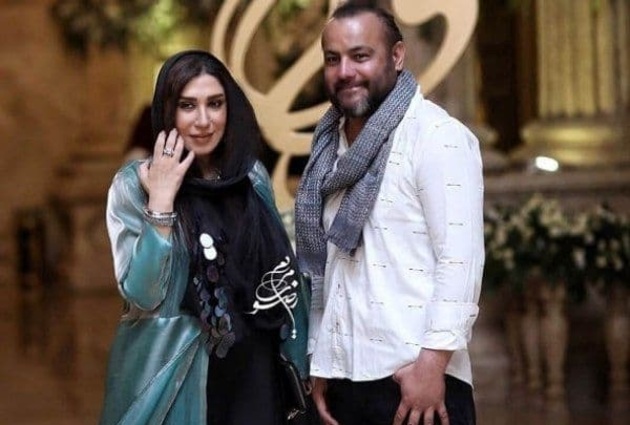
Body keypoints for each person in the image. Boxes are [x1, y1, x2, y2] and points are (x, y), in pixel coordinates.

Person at [294, 3, 484, 425]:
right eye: (333, 59)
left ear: (397, 56)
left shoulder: (436, 137)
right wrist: (321, 359)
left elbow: (460, 261)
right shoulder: (328, 149)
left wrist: (431, 366)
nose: (345, 71)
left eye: (360, 56)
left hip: (418, 383)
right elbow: (327, 270)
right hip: (344, 381)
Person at [99, 50, 309, 425]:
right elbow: (143, 294)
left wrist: (303, 360)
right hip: (183, 375)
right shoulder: (134, 185)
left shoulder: (250, 176)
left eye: (215, 104)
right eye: (187, 105)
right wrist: (161, 201)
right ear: (168, 110)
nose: (203, 121)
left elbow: (283, 276)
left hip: (256, 370)